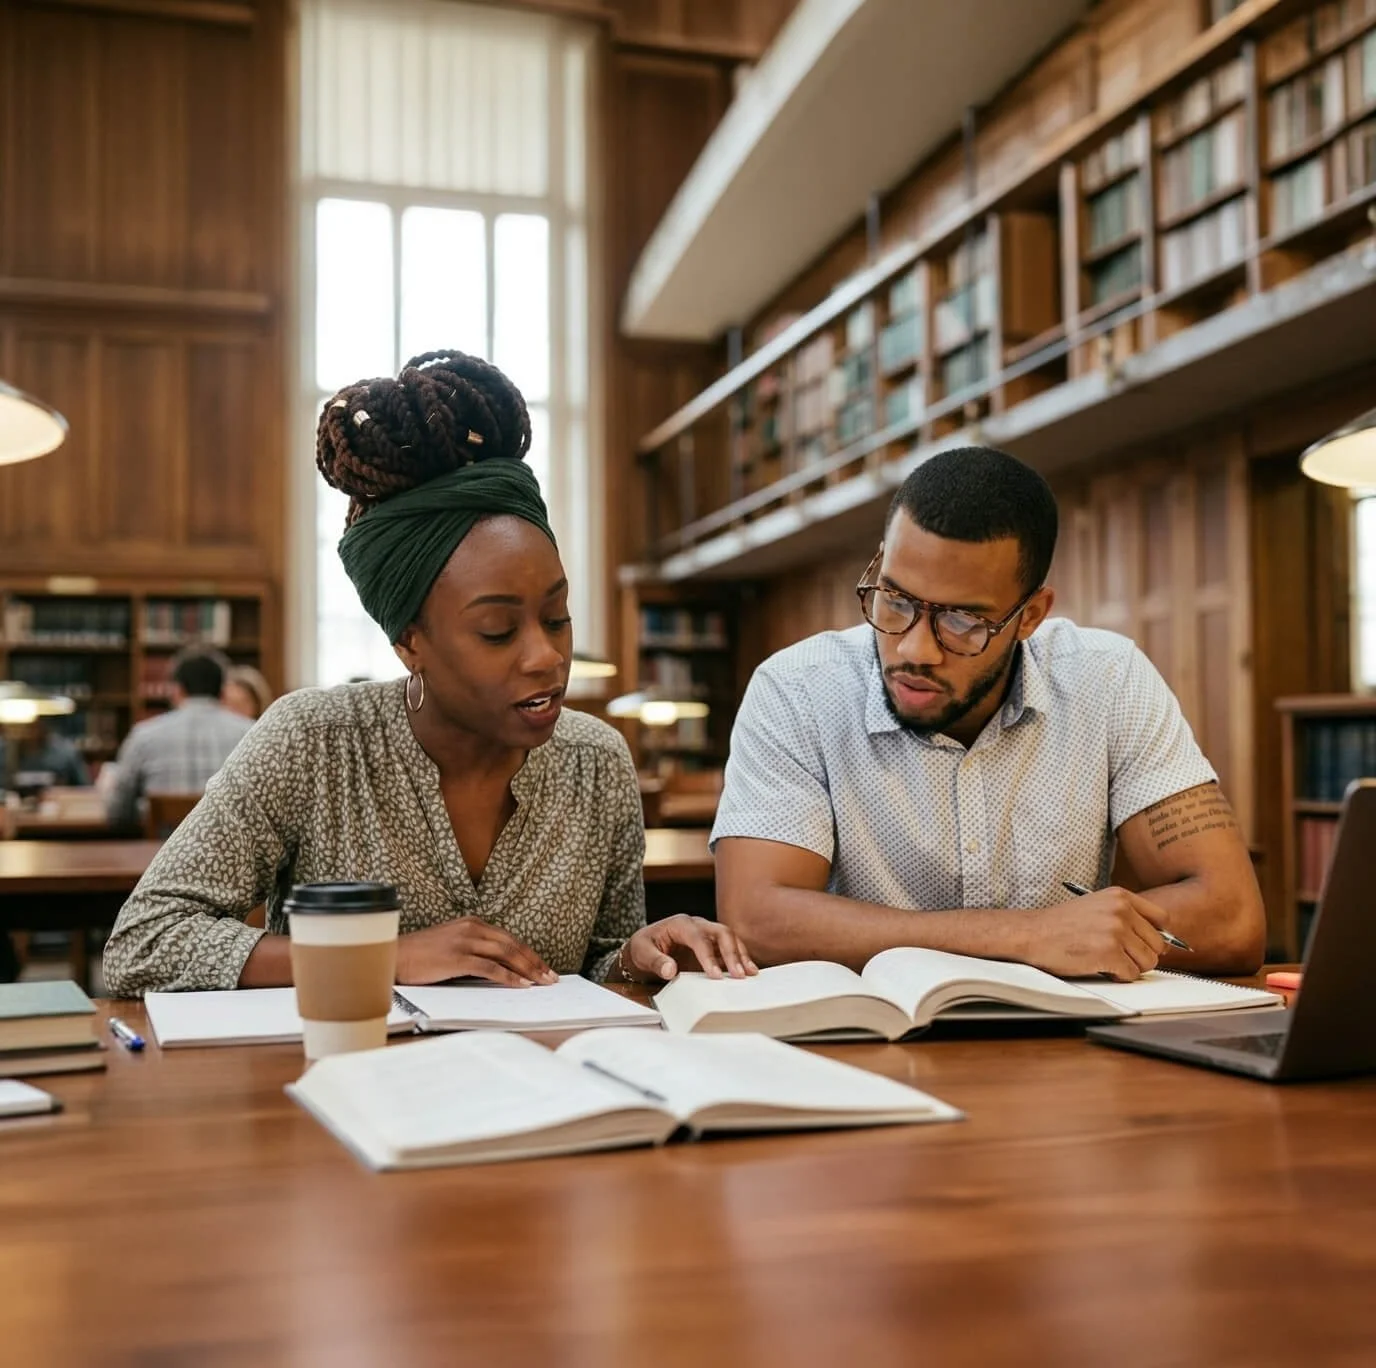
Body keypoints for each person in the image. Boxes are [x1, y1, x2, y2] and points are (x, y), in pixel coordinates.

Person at [103, 350, 754, 997]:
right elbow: (145, 943)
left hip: (545, 1089)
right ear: (410, 642)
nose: (546, 657)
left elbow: (593, 966)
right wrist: (375, 955)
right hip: (344, 1084)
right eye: (497, 630)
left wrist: (639, 958)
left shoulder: (596, 763)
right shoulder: (314, 742)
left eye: (556, 617)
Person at [713, 446, 1265, 981]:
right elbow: (757, 920)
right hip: (868, 1047)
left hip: (1068, 1059)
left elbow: (1233, 920)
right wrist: (1027, 937)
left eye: (961, 622)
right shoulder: (799, 689)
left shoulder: (1108, 679)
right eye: (895, 600)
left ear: (1030, 616)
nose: (913, 650)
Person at [103, 648, 253, 832]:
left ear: (177, 690)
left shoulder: (144, 735)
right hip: (234, 857)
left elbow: (118, 812)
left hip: (159, 856)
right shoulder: (251, 733)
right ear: (223, 692)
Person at [0, 719, 90, 788]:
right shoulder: (4, 752)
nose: (29, 732)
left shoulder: (65, 753)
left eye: (33, 726)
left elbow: (85, 789)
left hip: (59, 808)